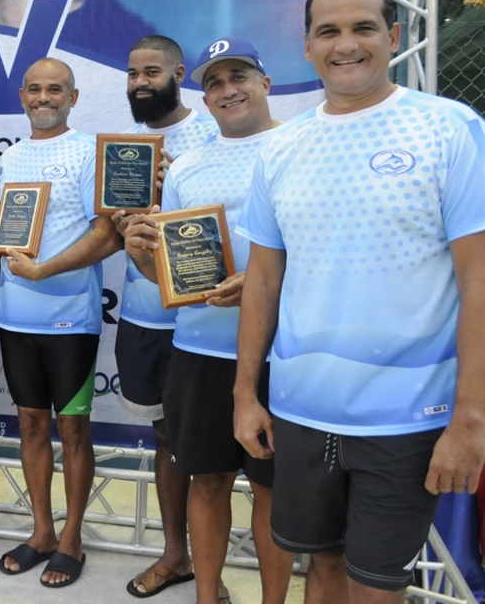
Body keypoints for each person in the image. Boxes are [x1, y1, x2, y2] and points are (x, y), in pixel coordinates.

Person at [234, 0, 485, 604]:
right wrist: (244, 392)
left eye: (363, 28)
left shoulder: (449, 129)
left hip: (407, 419)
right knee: (319, 570)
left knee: (375, 591)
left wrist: (469, 420)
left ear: (393, 35)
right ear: (308, 45)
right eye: (329, 31)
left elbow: (478, 279)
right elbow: (263, 278)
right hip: (299, 412)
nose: (346, 44)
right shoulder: (281, 148)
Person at [124, 39, 293, 604]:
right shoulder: (188, 168)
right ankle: (204, 596)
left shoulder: (299, 148)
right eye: (215, 83)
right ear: (204, 94)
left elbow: (329, 252)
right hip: (198, 352)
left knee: (271, 489)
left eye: (239, 76)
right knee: (207, 480)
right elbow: (165, 276)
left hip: (277, 355)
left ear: (265, 83)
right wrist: (139, 250)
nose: (228, 90)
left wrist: (268, 280)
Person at [0, 57, 121, 588]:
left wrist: (45, 269)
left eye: (56, 89)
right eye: (35, 90)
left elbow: (108, 233)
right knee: (29, 425)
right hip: (15, 317)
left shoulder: (91, 151)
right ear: (22, 96)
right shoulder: (11, 157)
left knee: (73, 430)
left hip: (71, 319)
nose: (44, 98)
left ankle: (73, 538)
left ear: (73, 96)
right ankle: (41, 531)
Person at [113, 36, 217, 599]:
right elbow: (115, 233)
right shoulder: (126, 145)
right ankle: (175, 556)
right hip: (142, 316)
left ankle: (212, 570)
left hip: (201, 322)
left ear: (179, 73)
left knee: (213, 453)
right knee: (165, 439)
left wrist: (177, 191)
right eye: (132, 74)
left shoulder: (212, 132)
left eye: (150, 72)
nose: (139, 83)